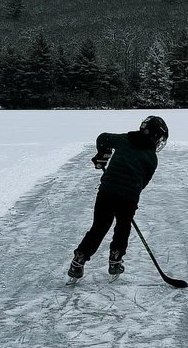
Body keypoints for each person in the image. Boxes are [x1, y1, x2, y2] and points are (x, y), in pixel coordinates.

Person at [68, 116, 169, 278]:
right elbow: (143, 182)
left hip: (107, 191)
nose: (159, 143)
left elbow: (102, 138)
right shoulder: (151, 157)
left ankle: (79, 259)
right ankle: (115, 260)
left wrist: (103, 154)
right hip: (128, 196)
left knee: (99, 227)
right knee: (123, 226)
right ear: (154, 136)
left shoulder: (125, 139)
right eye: (160, 139)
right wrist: (105, 157)